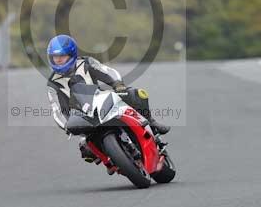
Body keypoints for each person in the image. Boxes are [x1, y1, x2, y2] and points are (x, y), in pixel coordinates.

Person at [46, 34, 170, 167]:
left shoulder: (86, 63)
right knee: (85, 149)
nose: (58, 60)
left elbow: (107, 71)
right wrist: (66, 125)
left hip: (100, 100)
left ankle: (151, 123)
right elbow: (56, 109)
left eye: (62, 56)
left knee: (135, 94)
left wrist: (117, 83)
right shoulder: (52, 84)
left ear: (71, 55)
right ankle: (110, 162)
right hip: (80, 116)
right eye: (55, 57)